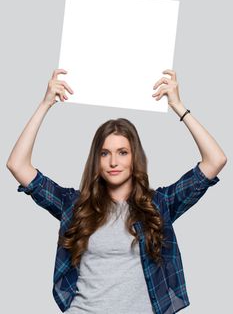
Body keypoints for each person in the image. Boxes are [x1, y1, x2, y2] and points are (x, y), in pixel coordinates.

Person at [6, 68, 227, 314]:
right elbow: (18, 165)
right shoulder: (75, 205)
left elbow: (215, 160)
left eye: (122, 152)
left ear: (135, 158)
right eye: (105, 153)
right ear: (96, 160)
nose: (113, 162)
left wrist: (178, 106)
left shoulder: (159, 205)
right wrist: (45, 104)